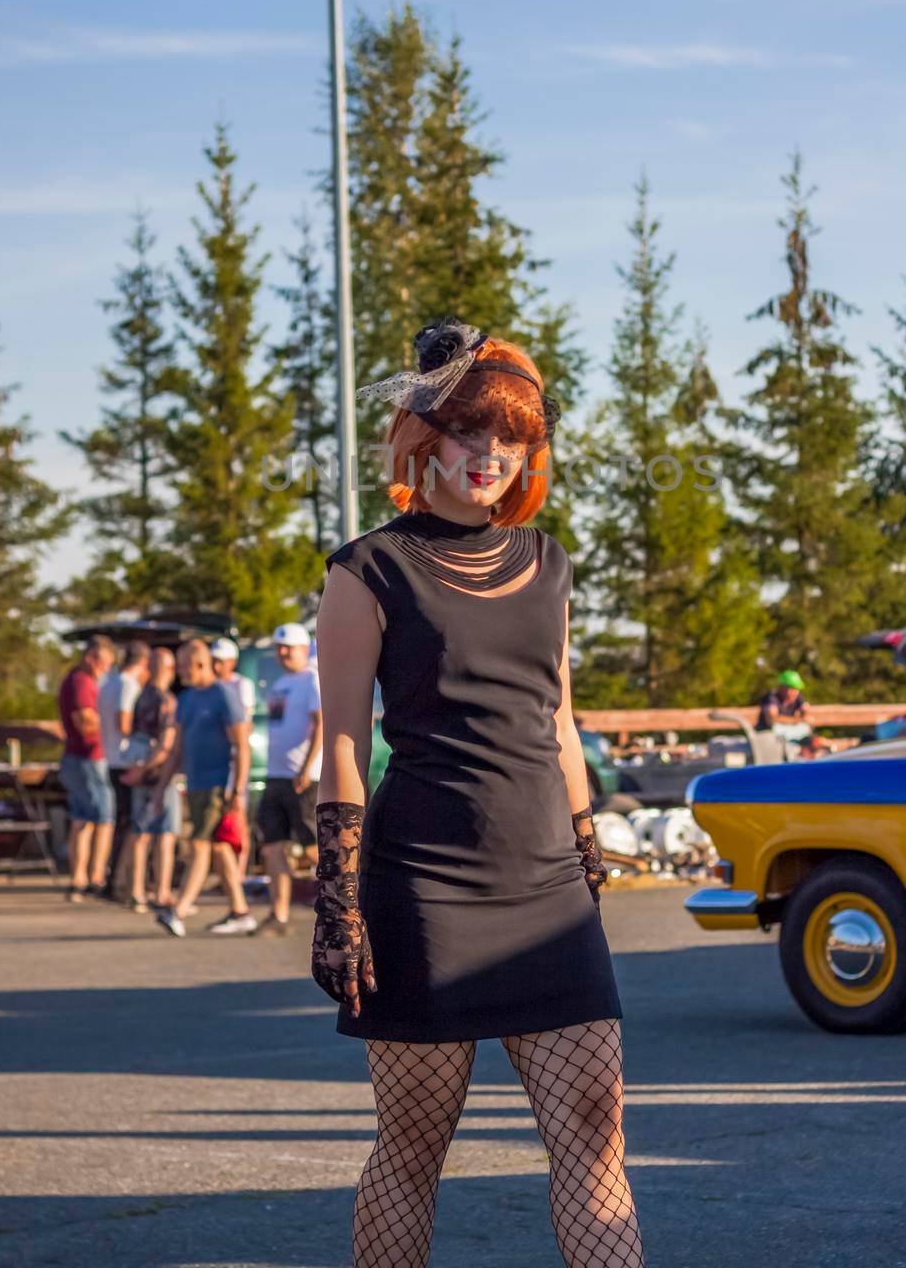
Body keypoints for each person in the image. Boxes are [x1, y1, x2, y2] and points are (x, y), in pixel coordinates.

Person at [312, 316, 645, 1268]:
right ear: (426, 440)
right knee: (414, 1148)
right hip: (424, 889)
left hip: (547, 893)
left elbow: (559, 723)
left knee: (594, 1128)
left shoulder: (549, 565)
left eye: (510, 438)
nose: (489, 454)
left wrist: (585, 852)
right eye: (470, 433)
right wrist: (337, 902)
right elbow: (341, 740)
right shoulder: (366, 570)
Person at [153, 638, 256, 938]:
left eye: (184, 666)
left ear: (200, 664)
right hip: (195, 784)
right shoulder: (186, 699)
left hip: (217, 786)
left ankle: (179, 909)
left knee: (199, 845)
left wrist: (236, 789)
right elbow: (177, 750)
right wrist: (161, 788)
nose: (179, 672)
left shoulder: (224, 695)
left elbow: (242, 746)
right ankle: (241, 910)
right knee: (218, 847)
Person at [254, 622, 322, 936]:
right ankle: (278, 915)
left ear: (304, 648)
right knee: (272, 847)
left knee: (312, 848)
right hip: (276, 775)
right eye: (279, 647)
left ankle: (347, 908)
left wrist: (306, 768)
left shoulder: (313, 679)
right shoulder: (282, 683)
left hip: (302, 778)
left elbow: (321, 724)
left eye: (289, 647)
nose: (283, 653)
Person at [57, 634, 116, 902]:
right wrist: (114, 726)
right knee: (103, 819)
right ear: (91, 658)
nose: (105, 671)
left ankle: (79, 879)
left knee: (83, 819)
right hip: (88, 758)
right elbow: (84, 720)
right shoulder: (81, 682)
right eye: (104, 664)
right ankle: (95, 877)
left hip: (78, 758)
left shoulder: (77, 679)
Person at [124, 647, 181, 912]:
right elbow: (167, 745)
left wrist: (138, 770)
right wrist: (149, 768)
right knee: (165, 834)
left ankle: (137, 892)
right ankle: (162, 892)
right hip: (159, 774)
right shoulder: (167, 700)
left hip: (140, 770)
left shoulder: (142, 695)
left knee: (140, 833)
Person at [98, 641, 151, 899]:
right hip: (125, 761)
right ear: (142, 663)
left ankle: (115, 879)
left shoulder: (107, 683)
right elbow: (124, 723)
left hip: (111, 759)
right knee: (130, 826)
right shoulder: (127, 685)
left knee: (121, 824)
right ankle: (120, 882)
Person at [211, 637, 257, 879]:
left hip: (235, 758)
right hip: (219, 760)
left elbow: (243, 726)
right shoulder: (211, 687)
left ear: (232, 662)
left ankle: (239, 874)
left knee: (237, 814)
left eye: (221, 661)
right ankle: (226, 876)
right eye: (214, 661)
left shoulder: (241, 685)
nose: (217, 667)